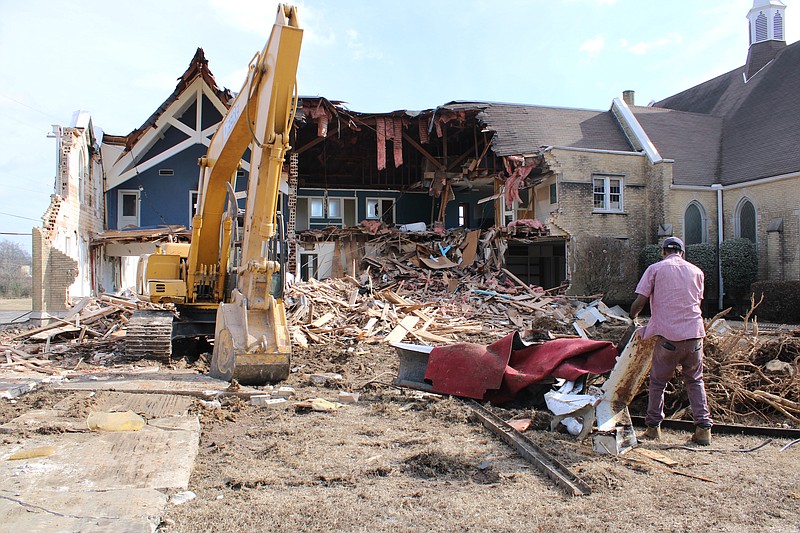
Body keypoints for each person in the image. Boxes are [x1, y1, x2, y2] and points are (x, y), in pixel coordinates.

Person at [629, 237, 712, 445]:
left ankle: (653, 428)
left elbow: (640, 300)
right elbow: (695, 301)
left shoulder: (655, 269)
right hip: (694, 336)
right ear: (682, 253)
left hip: (668, 338)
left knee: (658, 383)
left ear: (663, 251)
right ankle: (703, 429)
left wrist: (632, 317)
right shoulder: (697, 272)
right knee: (695, 381)